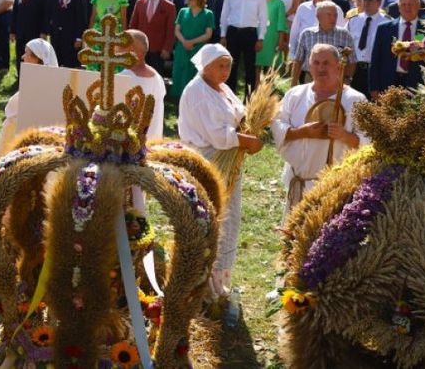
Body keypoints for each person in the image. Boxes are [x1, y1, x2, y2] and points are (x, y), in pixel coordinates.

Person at [178, 44, 263, 299]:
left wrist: (251, 127)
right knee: (212, 219)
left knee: (229, 218)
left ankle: (220, 283)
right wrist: (246, 141)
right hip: (208, 163)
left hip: (226, 163)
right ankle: (205, 286)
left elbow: (239, 114)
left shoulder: (221, 88)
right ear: (205, 66)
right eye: (220, 66)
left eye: (228, 65)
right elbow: (217, 136)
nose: (226, 71)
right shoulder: (197, 91)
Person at [271, 45, 369, 219]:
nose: (321, 68)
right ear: (309, 66)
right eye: (316, 63)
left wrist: (344, 136)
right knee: (293, 238)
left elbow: (368, 141)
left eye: (326, 63)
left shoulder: (356, 100)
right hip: (299, 182)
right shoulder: (295, 94)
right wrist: (301, 132)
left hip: (335, 186)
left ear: (339, 66)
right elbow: (277, 125)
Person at [0, 38, 58, 164]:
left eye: (27, 53)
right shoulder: (39, 83)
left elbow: (12, 111)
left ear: (38, 59)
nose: (22, 57)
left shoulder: (37, 86)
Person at [370, 0, 425, 97]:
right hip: (388, 82)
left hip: (416, 83)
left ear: (418, 7)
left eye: (411, 4)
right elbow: (375, 59)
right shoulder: (384, 28)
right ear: (398, 7)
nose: (407, 7)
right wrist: (374, 87)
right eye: (403, 4)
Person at [219, 0, 268, 93]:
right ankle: (230, 97)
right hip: (233, 33)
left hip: (250, 34)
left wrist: (261, 38)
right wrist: (223, 35)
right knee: (231, 67)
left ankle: (249, 100)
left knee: (250, 68)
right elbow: (224, 15)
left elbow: (263, 18)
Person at [291, 1, 356, 86]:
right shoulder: (307, 34)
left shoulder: (345, 35)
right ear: (318, 16)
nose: (333, 18)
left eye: (335, 15)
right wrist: (293, 83)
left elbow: (352, 61)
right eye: (329, 15)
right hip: (310, 80)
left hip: (336, 81)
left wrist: (347, 80)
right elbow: (298, 60)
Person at [118, 29, 165, 142]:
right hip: (154, 142)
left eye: (120, 45)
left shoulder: (124, 78)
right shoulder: (157, 76)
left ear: (131, 50)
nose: (116, 50)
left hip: (130, 147)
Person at [170, 0, 215, 100]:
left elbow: (208, 34)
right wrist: (184, 41)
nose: (187, 0)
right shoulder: (182, 11)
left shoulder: (208, 14)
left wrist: (192, 42)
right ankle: (179, 97)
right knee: (180, 70)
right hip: (182, 47)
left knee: (195, 72)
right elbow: (177, 30)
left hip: (198, 48)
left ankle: (195, 98)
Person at [129, 0, 176, 76]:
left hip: (158, 50)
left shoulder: (169, 6)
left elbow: (170, 29)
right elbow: (133, 25)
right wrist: (131, 45)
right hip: (139, 48)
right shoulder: (140, 2)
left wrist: (167, 48)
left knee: (155, 76)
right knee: (137, 75)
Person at [345, 0, 390, 95]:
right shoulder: (353, 21)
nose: (366, 3)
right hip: (355, 70)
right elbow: (345, 45)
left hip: (376, 71)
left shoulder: (387, 22)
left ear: (379, 2)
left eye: (370, 0)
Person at [46, 0, 88, 68]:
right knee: (56, 62)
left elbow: (81, 18)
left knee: (71, 63)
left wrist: (79, 37)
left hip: (71, 37)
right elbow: (48, 15)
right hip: (55, 35)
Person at [11, 0, 49, 73]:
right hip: (20, 31)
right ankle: (20, 77)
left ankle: (33, 76)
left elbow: (45, 14)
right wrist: (13, 31)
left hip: (35, 31)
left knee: (34, 55)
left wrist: (44, 32)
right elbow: (15, 12)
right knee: (20, 55)